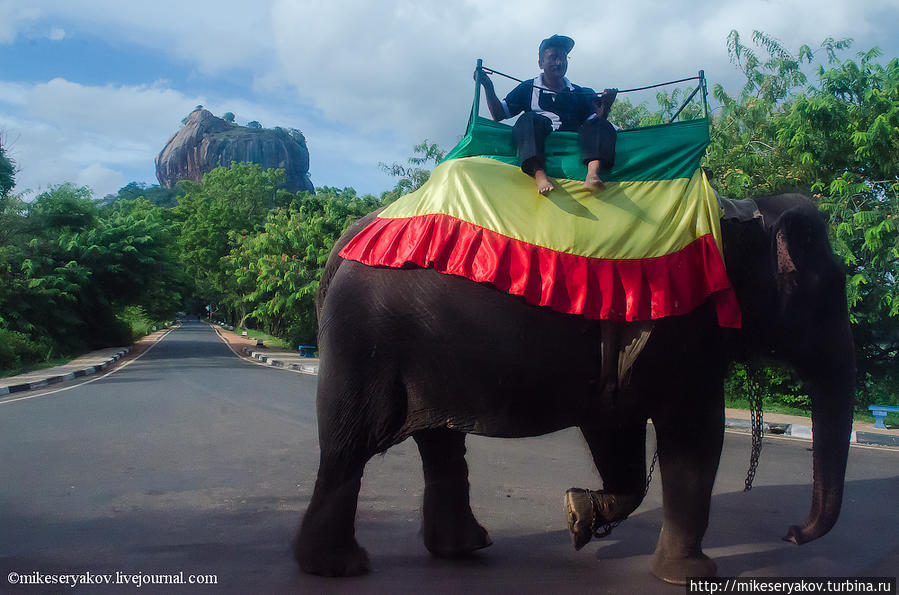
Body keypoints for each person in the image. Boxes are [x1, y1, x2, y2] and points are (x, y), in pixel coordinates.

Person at [477, 34, 617, 194]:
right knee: (527, 120)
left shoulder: (581, 93)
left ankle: (592, 174)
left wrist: (606, 106)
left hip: (574, 142)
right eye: (553, 57)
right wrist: (487, 86)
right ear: (541, 63)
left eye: (563, 58)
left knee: (601, 124)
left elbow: (597, 125)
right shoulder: (528, 88)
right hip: (538, 142)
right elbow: (499, 114)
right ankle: (540, 175)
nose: (559, 62)